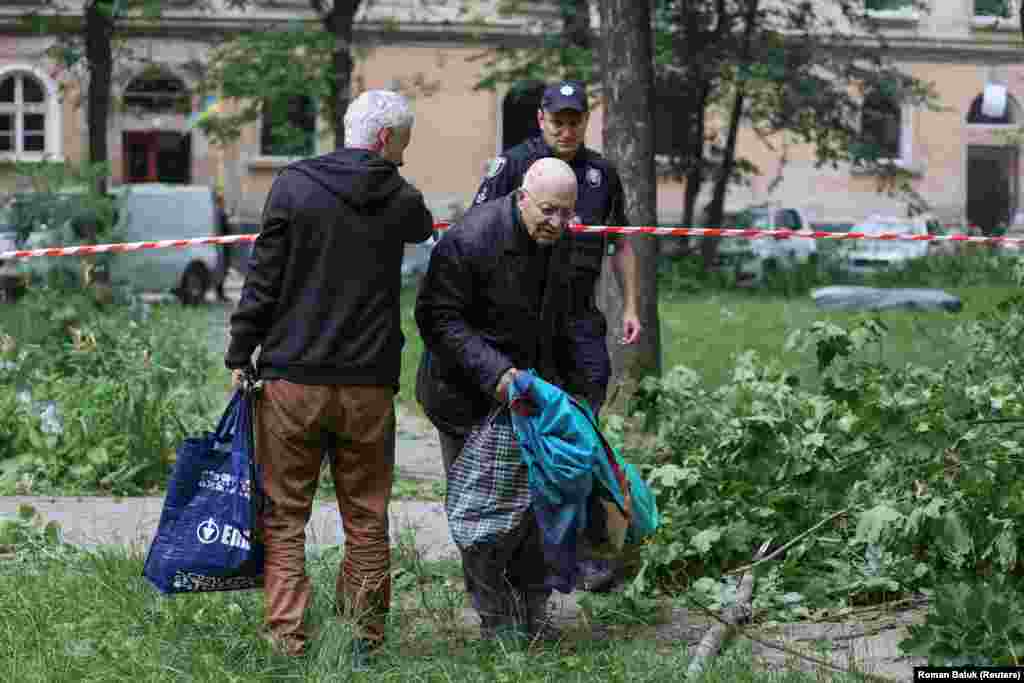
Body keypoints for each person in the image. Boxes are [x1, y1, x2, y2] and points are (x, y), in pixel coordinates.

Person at [225, 90, 434, 666]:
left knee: (285, 515)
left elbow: (263, 277)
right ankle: (362, 643)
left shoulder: (293, 184)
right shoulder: (400, 196)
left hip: (294, 378)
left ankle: (287, 641)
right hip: (367, 384)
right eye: (402, 147)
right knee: (366, 516)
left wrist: (241, 350)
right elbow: (421, 223)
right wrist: (393, 174)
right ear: (388, 140)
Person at [472, 79, 641, 592]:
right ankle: (519, 555)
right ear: (542, 119)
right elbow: (474, 232)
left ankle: (583, 547)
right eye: (558, 119)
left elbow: (621, 241)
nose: (567, 129)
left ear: (585, 121)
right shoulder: (513, 166)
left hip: (580, 322)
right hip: (526, 322)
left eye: (576, 120)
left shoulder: (601, 174)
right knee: (527, 433)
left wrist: (631, 304)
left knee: (583, 429)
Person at [415, 157, 584, 642]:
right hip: (466, 400)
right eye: (549, 210)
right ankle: (497, 623)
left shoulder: (562, 241)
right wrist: (497, 374)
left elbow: (579, 320)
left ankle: (533, 612)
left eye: (566, 213)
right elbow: (437, 318)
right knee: (483, 517)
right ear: (523, 197)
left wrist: (586, 392)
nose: (557, 223)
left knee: (535, 510)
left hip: (533, 402)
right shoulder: (469, 239)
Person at [214, 191, 231, 302]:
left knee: (222, 270)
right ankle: (220, 292)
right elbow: (226, 229)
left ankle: (220, 292)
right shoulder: (220, 213)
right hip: (222, 246)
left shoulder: (216, 212)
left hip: (222, 244)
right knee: (222, 269)